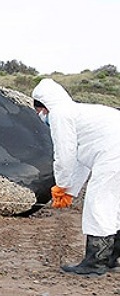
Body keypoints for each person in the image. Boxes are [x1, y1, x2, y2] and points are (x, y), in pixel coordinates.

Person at [33, 78, 120, 275]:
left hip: (113, 154)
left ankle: (95, 264)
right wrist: (70, 191)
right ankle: (112, 257)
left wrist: (61, 186)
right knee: (115, 206)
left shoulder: (60, 115)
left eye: (39, 111)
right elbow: (82, 160)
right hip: (113, 151)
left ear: (44, 107)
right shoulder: (81, 112)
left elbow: (65, 156)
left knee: (99, 204)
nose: (40, 116)